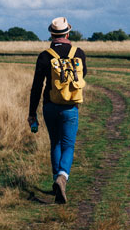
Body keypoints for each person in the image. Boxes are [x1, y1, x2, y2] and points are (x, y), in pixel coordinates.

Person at [27, 17, 87, 204]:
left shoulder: (45, 56)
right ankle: (62, 177)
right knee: (68, 145)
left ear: (52, 34)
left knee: (55, 143)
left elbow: (37, 86)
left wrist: (32, 113)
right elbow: (81, 76)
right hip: (70, 106)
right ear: (68, 33)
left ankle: (56, 181)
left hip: (50, 106)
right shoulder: (79, 53)